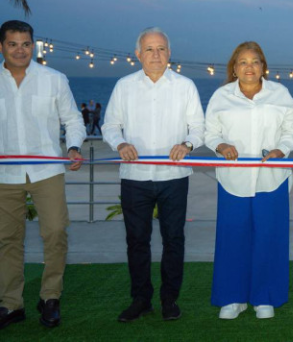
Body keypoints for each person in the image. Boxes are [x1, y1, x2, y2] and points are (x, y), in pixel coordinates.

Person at [103, 27, 205, 323]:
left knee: (174, 239)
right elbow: (110, 125)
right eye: (149, 49)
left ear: (169, 53)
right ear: (138, 54)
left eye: (161, 48)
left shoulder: (185, 86)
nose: (156, 54)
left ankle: (169, 298)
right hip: (135, 175)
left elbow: (198, 127)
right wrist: (119, 143)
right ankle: (141, 299)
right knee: (137, 240)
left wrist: (187, 144)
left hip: (174, 176)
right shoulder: (124, 86)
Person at [205, 41, 293, 320]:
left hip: (272, 179)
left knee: (269, 237)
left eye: (255, 61)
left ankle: (265, 297)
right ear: (234, 68)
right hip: (233, 180)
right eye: (243, 62)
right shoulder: (221, 96)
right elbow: (209, 132)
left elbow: (292, 128)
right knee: (232, 237)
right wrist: (221, 146)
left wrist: (281, 149)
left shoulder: (280, 94)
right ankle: (232, 298)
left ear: (263, 67)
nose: (249, 67)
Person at [0, 20, 85, 330]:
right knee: (8, 240)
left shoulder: (54, 79)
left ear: (32, 46)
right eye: (13, 44)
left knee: (55, 233)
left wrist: (73, 147)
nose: (20, 50)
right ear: (1, 47)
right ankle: (11, 303)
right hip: (4, 176)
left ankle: (50, 297)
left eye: (25, 44)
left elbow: (73, 120)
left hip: (47, 170)